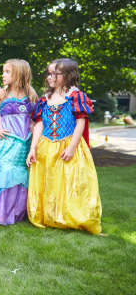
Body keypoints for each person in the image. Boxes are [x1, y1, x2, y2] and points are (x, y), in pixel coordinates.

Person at [26, 58, 102, 235]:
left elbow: (80, 122)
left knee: (70, 181)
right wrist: (33, 148)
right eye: (49, 73)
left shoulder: (76, 97)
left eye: (55, 73)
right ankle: (51, 216)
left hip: (69, 143)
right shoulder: (45, 99)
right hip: (46, 146)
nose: (50, 77)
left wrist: (72, 147)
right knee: (50, 182)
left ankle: (71, 217)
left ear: (68, 76)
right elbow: (39, 124)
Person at [0, 59, 38, 225]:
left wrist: (33, 134)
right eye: (3, 71)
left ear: (18, 74)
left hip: (24, 143)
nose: (3, 75)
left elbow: (32, 121)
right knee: (5, 175)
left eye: (7, 72)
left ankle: (16, 214)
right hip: (7, 142)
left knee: (21, 177)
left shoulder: (31, 94)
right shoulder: (2, 93)